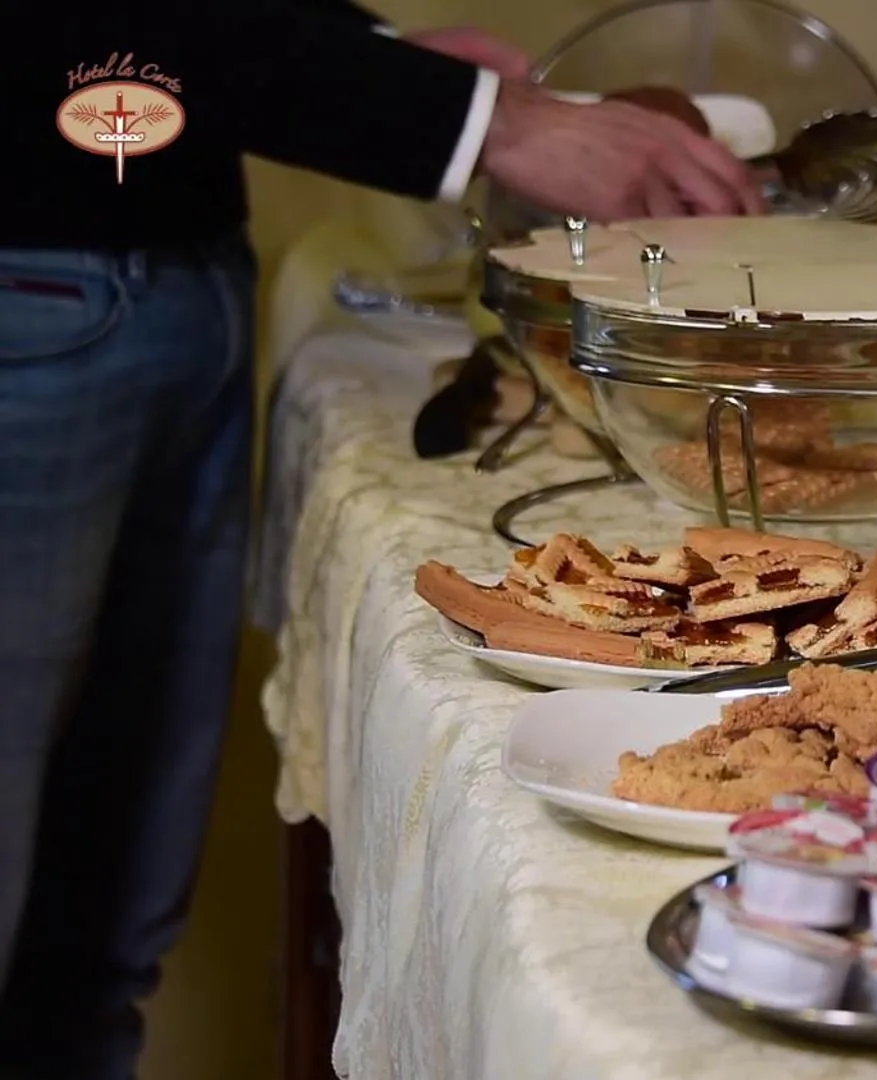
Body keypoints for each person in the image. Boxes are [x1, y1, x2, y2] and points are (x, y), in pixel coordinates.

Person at [0, 3, 763, 1076]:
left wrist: (356, 56)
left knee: (91, 947)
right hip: (32, 290)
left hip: (172, 266)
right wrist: (489, 123)